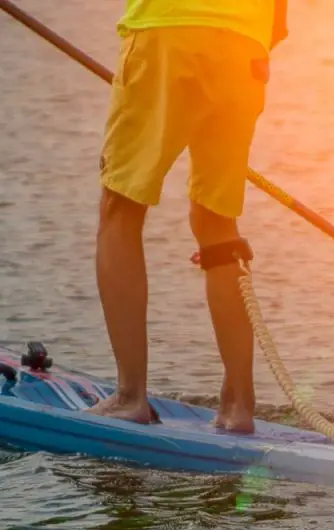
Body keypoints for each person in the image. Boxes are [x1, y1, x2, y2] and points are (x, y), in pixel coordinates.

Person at [83, 0, 289, 434]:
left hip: (165, 32)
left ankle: (130, 396)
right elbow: (280, 21)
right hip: (245, 46)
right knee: (217, 218)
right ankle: (238, 406)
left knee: (120, 206)